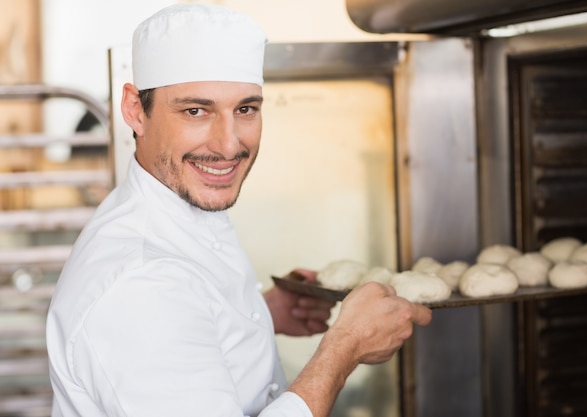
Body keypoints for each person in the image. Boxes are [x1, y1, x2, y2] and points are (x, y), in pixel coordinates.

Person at [45, 4, 432, 417]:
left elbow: (173, 343)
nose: (228, 145)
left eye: (245, 109)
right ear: (136, 110)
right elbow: (154, 314)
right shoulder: (140, 286)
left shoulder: (170, 213)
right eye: (196, 110)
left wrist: (254, 317)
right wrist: (344, 348)